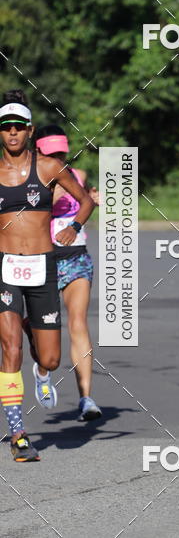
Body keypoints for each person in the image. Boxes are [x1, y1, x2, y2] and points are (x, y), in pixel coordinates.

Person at [0, 90, 95, 461]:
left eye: (18, 127)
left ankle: (38, 354)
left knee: (51, 359)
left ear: (30, 130)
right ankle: (17, 434)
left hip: (42, 268)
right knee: (10, 351)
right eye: (6, 127)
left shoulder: (49, 168)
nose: (11, 134)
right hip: (6, 268)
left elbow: (85, 198)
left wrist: (74, 225)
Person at [28, 124, 101, 422]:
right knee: (43, 331)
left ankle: (86, 399)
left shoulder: (77, 177)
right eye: (52, 153)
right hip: (41, 262)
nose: (58, 158)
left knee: (78, 324)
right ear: (38, 152)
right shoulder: (29, 181)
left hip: (76, 259)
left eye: (62, 153)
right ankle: (43, 371)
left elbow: (83, 205)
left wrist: (92, 201)